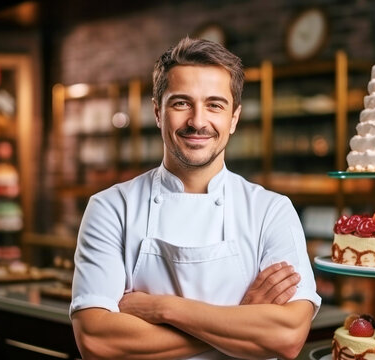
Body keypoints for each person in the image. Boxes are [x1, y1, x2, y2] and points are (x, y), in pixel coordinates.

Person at [70, 37, 321, 360]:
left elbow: (286, 336)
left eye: (215, 105)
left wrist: (162, 308)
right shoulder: (110, 208)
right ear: (157, 112)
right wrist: (240, 318)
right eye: (181, 103)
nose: (198, 121)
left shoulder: (270, 211)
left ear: (234, 118)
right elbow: (96, 339)